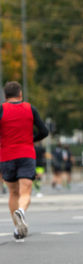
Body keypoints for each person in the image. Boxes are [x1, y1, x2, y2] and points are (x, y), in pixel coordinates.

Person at [0, 81, 49, 239]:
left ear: (5, 96)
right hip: (26, 153)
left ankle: (17, 228)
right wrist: (32, 139)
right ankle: (21, 211)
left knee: (13, 192)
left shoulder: (1, 109)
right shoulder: (30, 108)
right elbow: (44, 131)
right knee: (25, 190)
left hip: (7, 155)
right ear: (20, 94)